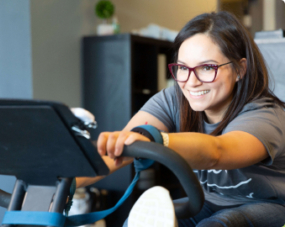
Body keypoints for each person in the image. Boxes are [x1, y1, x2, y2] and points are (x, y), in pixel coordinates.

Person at [76, 11, 285, 227]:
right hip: (209, 202)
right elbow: (121, 150)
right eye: (183, 68)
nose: (191, 82)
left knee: (221, 224)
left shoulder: (265, 114)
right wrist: (62, 185)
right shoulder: (174, 99)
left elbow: (217, 151)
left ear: (240, 69)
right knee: (135, 221)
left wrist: (156, 140)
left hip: (273, 205)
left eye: (207, 67)